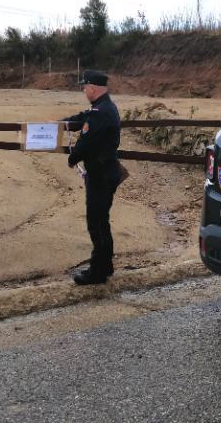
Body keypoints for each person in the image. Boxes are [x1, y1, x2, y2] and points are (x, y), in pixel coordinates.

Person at [63, 69, 122, 285]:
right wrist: (62, 123)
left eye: (85, 87)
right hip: (105, 173)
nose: (84, 90)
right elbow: (83, 118)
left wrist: (72, 158)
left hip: (101, 175)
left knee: (96, 223)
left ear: (93, 88)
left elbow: (86, 142)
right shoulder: (103, 107)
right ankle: (105, 265)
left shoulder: (101, 112)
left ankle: (98, 272)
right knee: (101, 221)